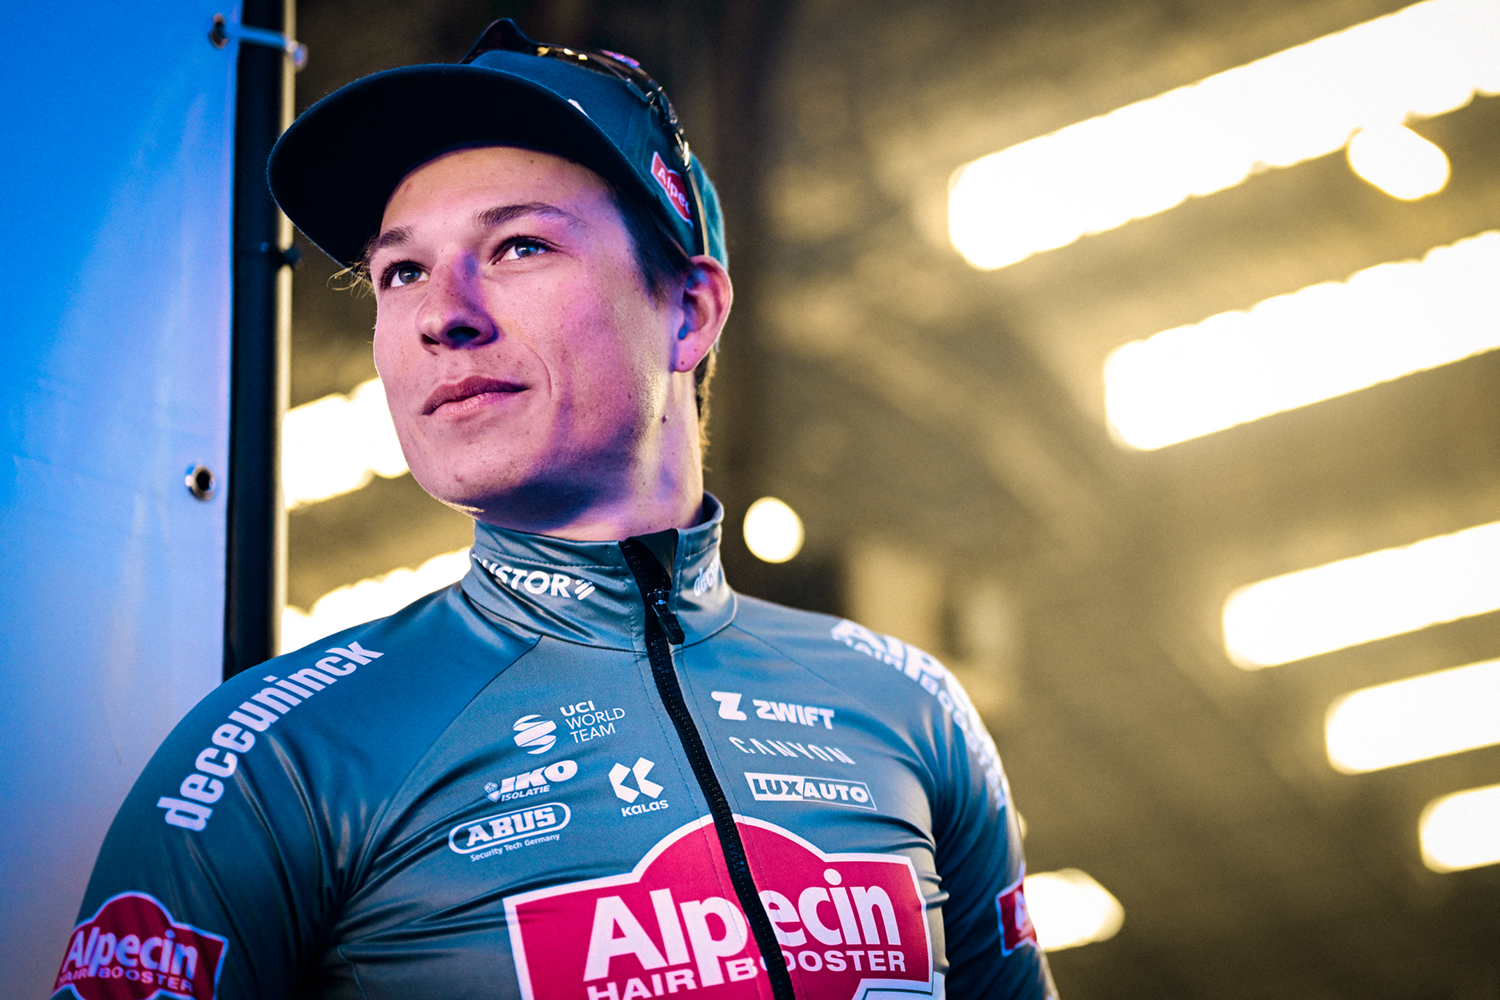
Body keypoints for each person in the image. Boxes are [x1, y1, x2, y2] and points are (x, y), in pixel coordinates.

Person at [54, 20, 1056, 1000]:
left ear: (690, 311)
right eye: (401, 270)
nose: (442, 314)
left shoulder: (909, 709)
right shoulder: (276, 757)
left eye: (520, 246)